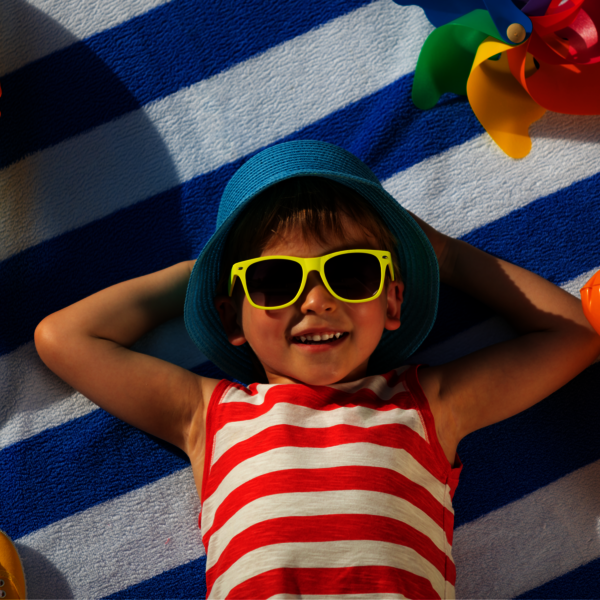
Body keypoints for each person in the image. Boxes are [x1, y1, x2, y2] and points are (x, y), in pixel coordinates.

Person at [34, 140, 600, 599]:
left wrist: (446, 255)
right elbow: (64, 338)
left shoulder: (427, 404)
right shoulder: (208, 415)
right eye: (275, 281)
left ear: (393, 301)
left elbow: (577, 334)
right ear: (230, 315)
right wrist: (205, 270)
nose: (317, 300)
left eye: (351, 274)